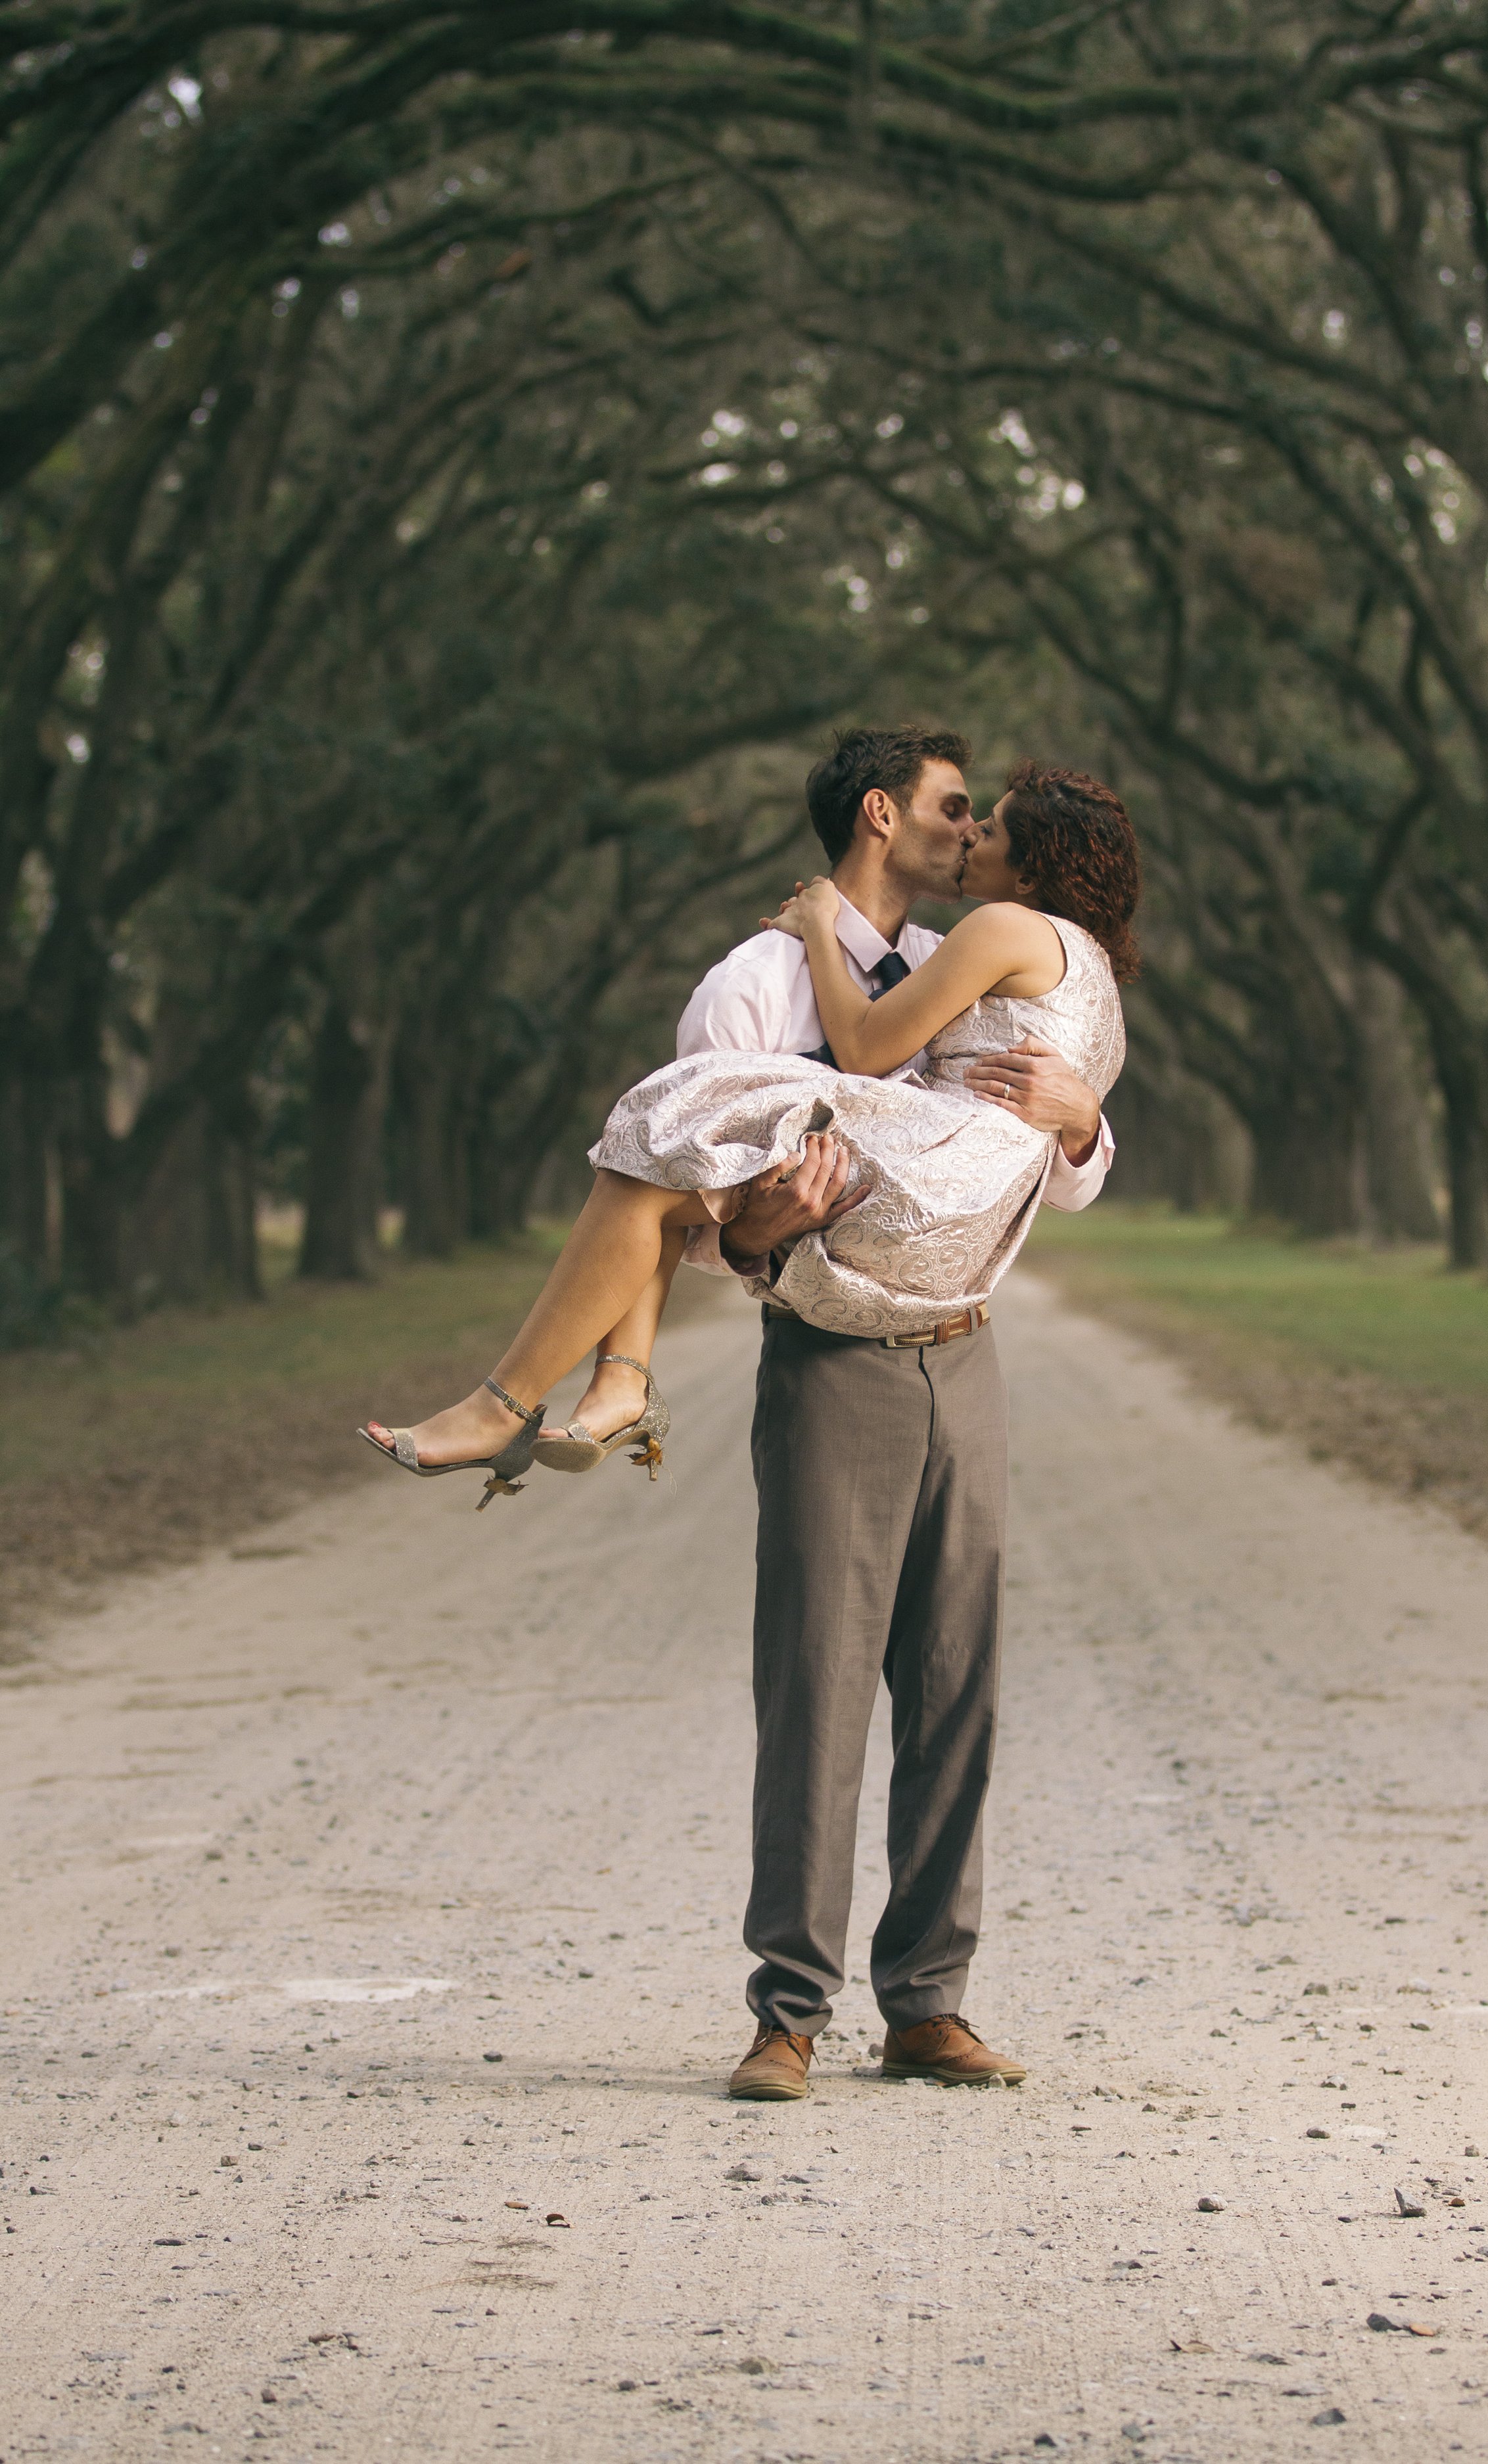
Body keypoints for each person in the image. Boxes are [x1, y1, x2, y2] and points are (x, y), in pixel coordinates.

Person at [361, 726, 1137, 2099]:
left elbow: (1048, 1157)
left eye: (989, 820)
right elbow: (691, 1187)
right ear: (886, 815)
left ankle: (926, 2006)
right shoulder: (763, 976)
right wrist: (758, 1231)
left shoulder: (989, 950)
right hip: (831, 1356)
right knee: (817, 1685)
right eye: (957, 812)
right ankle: (787, 2012)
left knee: (957, 1686)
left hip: (962, 1352)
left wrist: (1078, 1123)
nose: (972, 836)